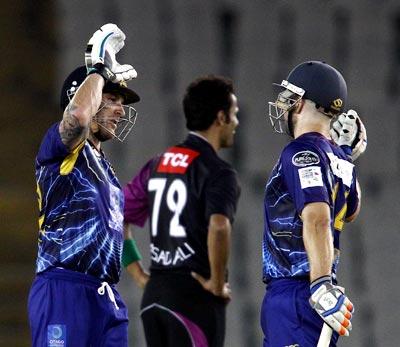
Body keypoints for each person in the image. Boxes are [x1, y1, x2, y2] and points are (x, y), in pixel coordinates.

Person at [28, 24, 140, 347]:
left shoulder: (106, 169)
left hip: (105, 298)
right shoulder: (60, 149)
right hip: (64, 289)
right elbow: (76, 118)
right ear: (88, 95)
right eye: (112, 98)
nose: (121, 109)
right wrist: (97, 69)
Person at [122, 75, 241, 347]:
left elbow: (117, 217)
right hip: (193, 298)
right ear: (220, 117)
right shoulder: (219, 172)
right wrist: (217, 282)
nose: (236, 123)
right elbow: (220, 226)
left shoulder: (156, 165)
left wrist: (140, 276)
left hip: (154, 296)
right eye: (234, 115)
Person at [261, 60, 367, 346]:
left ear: (300, 103)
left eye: (289, 97)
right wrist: (344, 154)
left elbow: (318, 217)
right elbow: (351, 210)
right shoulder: (338, 158)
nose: (283, 105)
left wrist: (320, 284)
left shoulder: (300, 152)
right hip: (312, 296)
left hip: (297, 293)